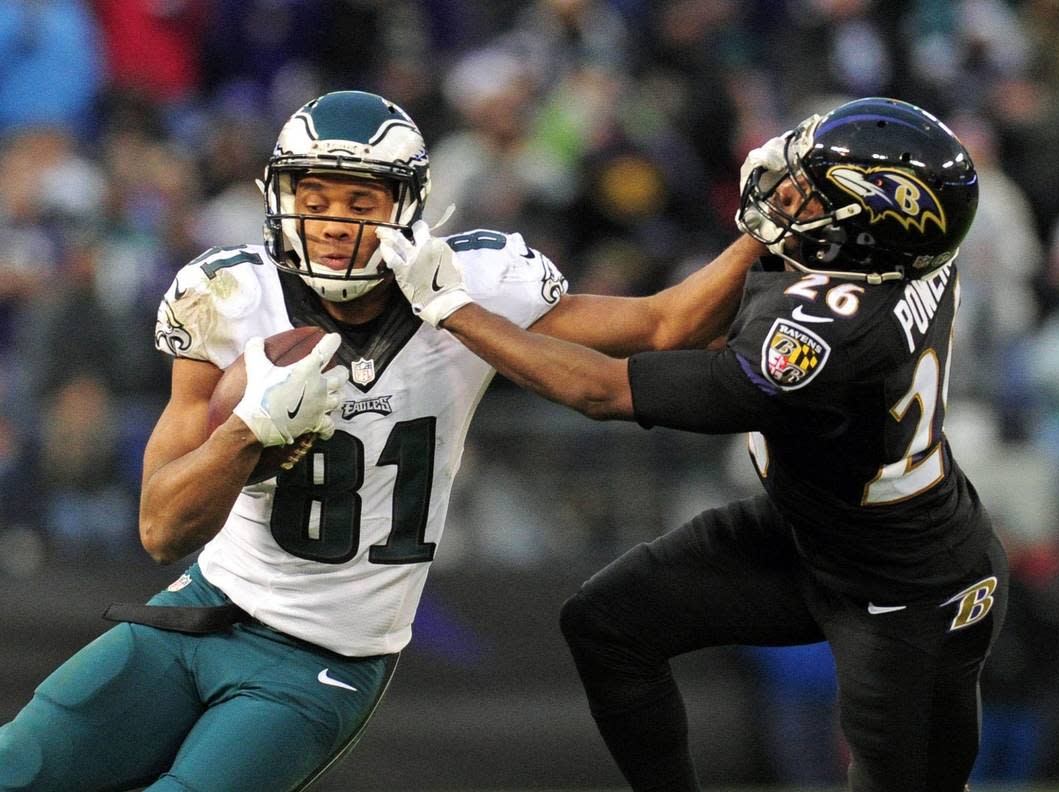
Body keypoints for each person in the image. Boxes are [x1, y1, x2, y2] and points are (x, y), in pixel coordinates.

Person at [0, 90, 764, 791]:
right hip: (201, 610)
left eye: (360, 200)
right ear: (279, 198)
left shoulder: (478, 280)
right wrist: (249, 432)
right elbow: (161, 528)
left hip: (320, 662)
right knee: (18, 765)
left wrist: (759, 231)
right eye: (315, 196)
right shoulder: (229, 296)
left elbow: (666, 326)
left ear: (407, 208)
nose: (333, 221)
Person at [385, 97, 1008, 792]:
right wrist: (767, 227)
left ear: (868, 228)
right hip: (809, 533)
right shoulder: (892, 263)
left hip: (909, 590)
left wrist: (454, 313)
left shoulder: (822, 338)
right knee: (608, 626)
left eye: (813, 190)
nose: (790, 193)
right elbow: (685, 321)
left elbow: (607, 389)